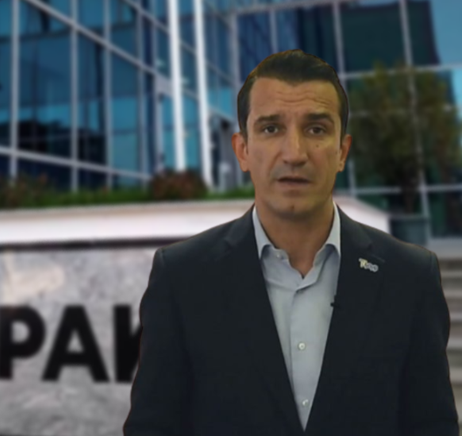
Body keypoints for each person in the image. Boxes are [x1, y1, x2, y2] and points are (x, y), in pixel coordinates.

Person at [122, 49, 459, 436]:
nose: (294, 153)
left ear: (342, 152)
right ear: (243, 150)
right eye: (271, 129)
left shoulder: (410, 277)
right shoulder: (182, 277)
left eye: (316, 129)